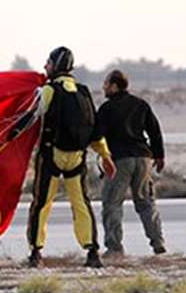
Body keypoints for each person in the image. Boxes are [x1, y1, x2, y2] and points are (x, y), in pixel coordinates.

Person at [9, 47, 116, 268]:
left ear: (55, 66)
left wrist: (9, 135)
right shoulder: (83, 91)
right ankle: (92, 251)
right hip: (77, 157)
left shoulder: (49, 89)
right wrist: (105, 156)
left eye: (47, 63)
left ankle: (36, 253)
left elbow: (33, 115)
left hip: (52, 154)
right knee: (81, 203)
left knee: (42, 204)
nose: (45, 67)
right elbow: (95, 129)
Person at [94, 69, 166, 256]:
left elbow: (97, 135)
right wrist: (159, 156)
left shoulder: (106, 109)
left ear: (115, 85)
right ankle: (158, 242)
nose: (104, 87)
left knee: (112, 204)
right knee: (146, 203)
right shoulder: (140, 104)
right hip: (143, 159)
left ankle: (114, 248)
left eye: (106, 84)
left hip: (119, 161)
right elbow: (154, 131)